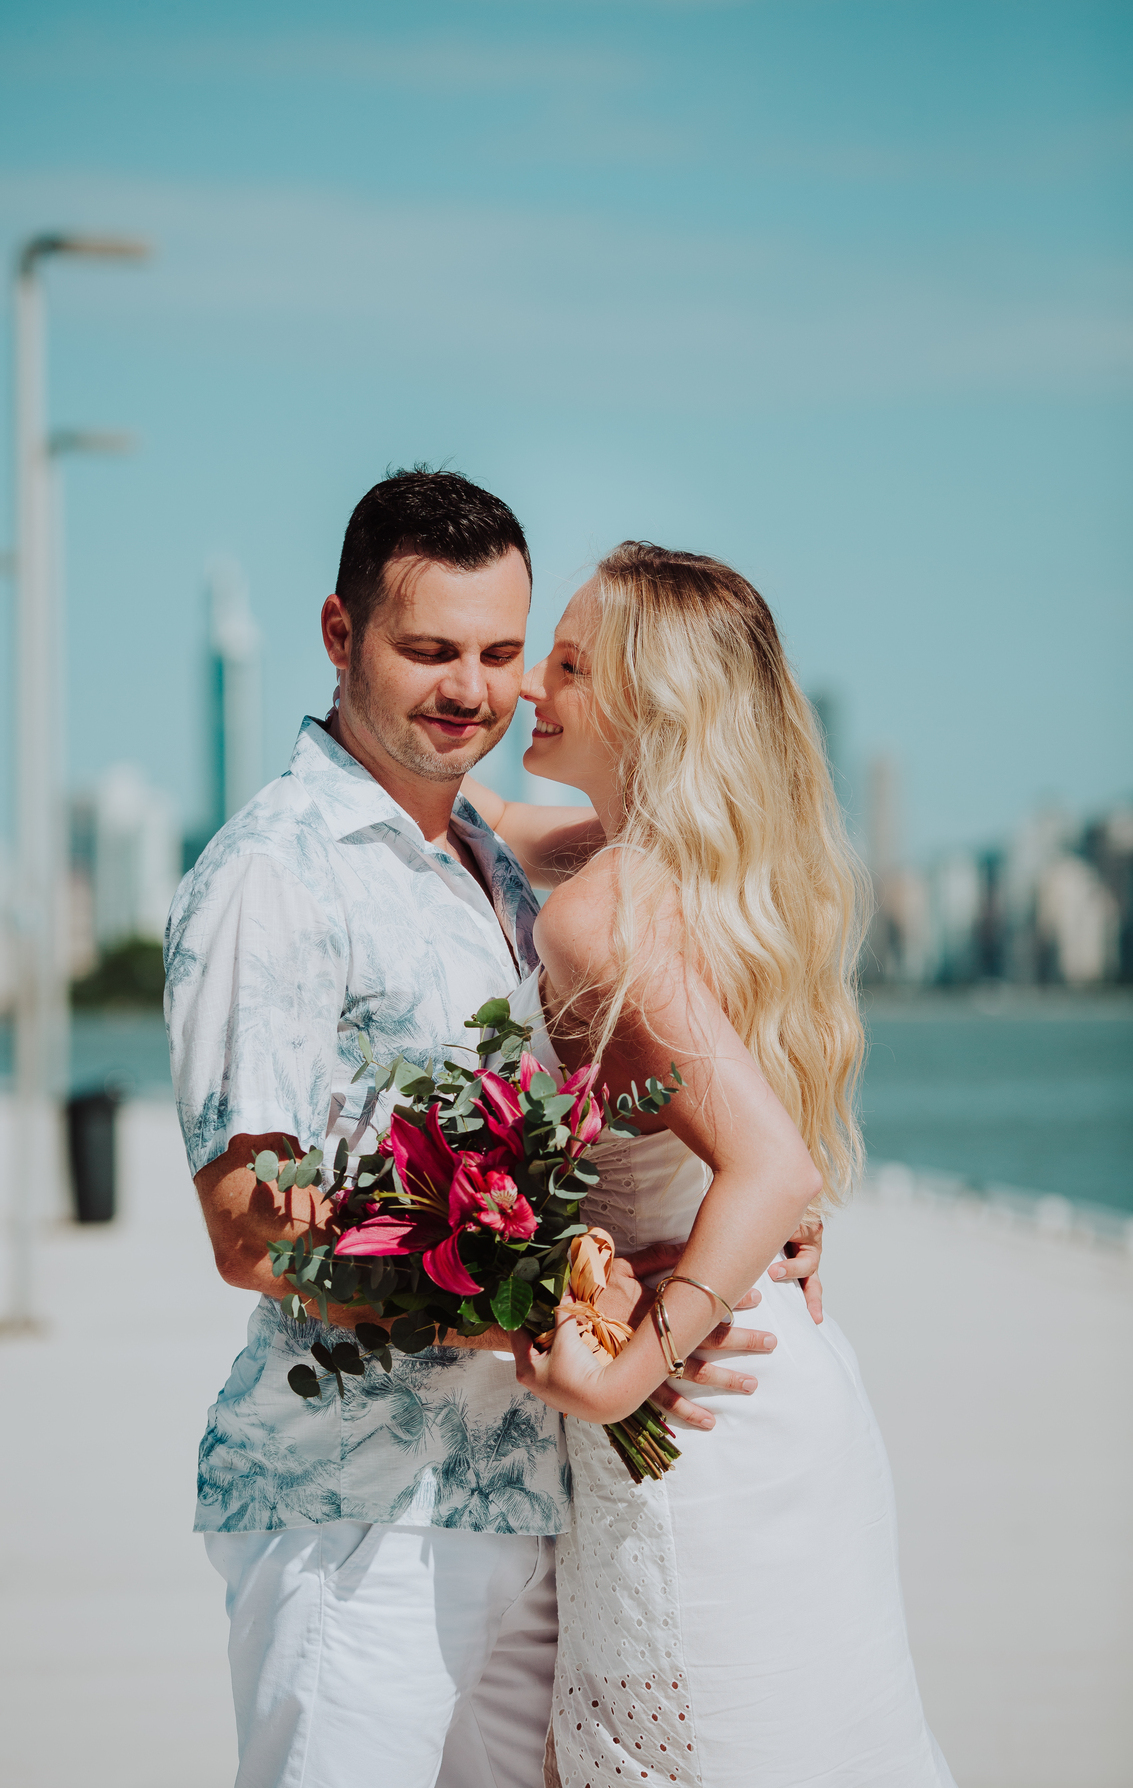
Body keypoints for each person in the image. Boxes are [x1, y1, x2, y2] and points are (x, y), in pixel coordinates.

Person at [165, 474, 819, 1788]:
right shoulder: (274, 876)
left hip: (528, 1506)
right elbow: (251, 1233)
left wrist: (742, 1216)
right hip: (357, 1514)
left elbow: (694, 836)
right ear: (341, 635)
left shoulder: (489, 857)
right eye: (428, 650)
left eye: (499, 652)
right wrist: (562, 1310)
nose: (471, 689)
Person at [493, 542, 957, 1787]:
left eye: (568, 665)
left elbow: (774, 1168)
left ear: (652, 708)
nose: (530, 683)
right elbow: (478, 818)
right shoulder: (699, 870)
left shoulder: (598, 909)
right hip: (780, 1380)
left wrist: (629, 1369)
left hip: (699, 1411)